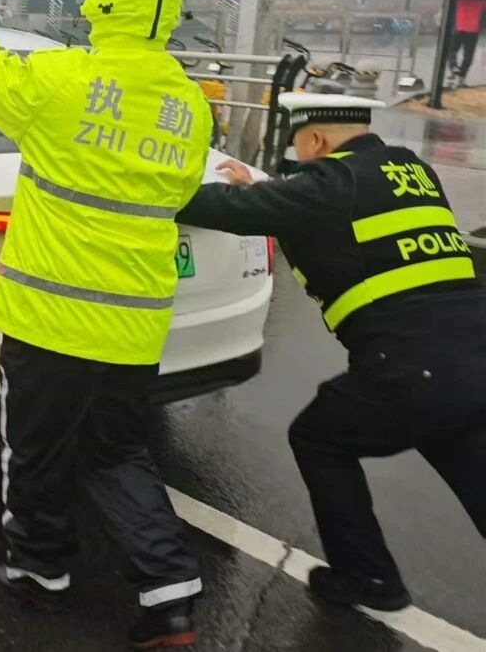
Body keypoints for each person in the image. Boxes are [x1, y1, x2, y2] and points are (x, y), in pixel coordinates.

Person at [0, 0, 213, 648]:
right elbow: (181, 189)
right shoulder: (188, 104)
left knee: (34, 449)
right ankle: (171, 592)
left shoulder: (62, 79)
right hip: (135, 324)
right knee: (118, 451)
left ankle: (39, 570)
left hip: (51, 316)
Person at [177, 92, 483, 613]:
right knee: (459, 445)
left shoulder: (329, 183)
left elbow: (218, 207)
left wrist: (139, 187)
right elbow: (319, 209)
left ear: (316, 139)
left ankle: (370, 579)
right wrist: (268, 191)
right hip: (472, 353)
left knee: (319, 437)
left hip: (409, 367)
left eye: (299, 145)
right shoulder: (411, 170)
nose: (299, 156)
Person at [447, 0, 485, 84]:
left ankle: (453, 67)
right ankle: (462, 75)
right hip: (473, 30)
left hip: (458, 27)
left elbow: (451, 11)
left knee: (451, 49)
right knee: (468, 54)